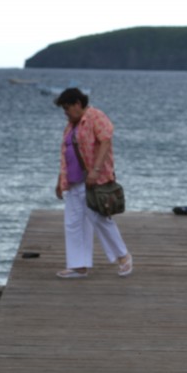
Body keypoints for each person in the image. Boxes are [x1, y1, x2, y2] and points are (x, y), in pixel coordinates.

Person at [53, 88, 133, 279]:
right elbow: (67, 154)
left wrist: (95, 171)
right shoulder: (71, 125)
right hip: (73, 181)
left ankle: (124, 256)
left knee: (98, 218)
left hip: (92, 180)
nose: (65, 112)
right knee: (73, 223)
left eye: (67, 108)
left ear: (77, 104)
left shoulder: (95, 116)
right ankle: (78, 265)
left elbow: (106, 140)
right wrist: (59, 181)